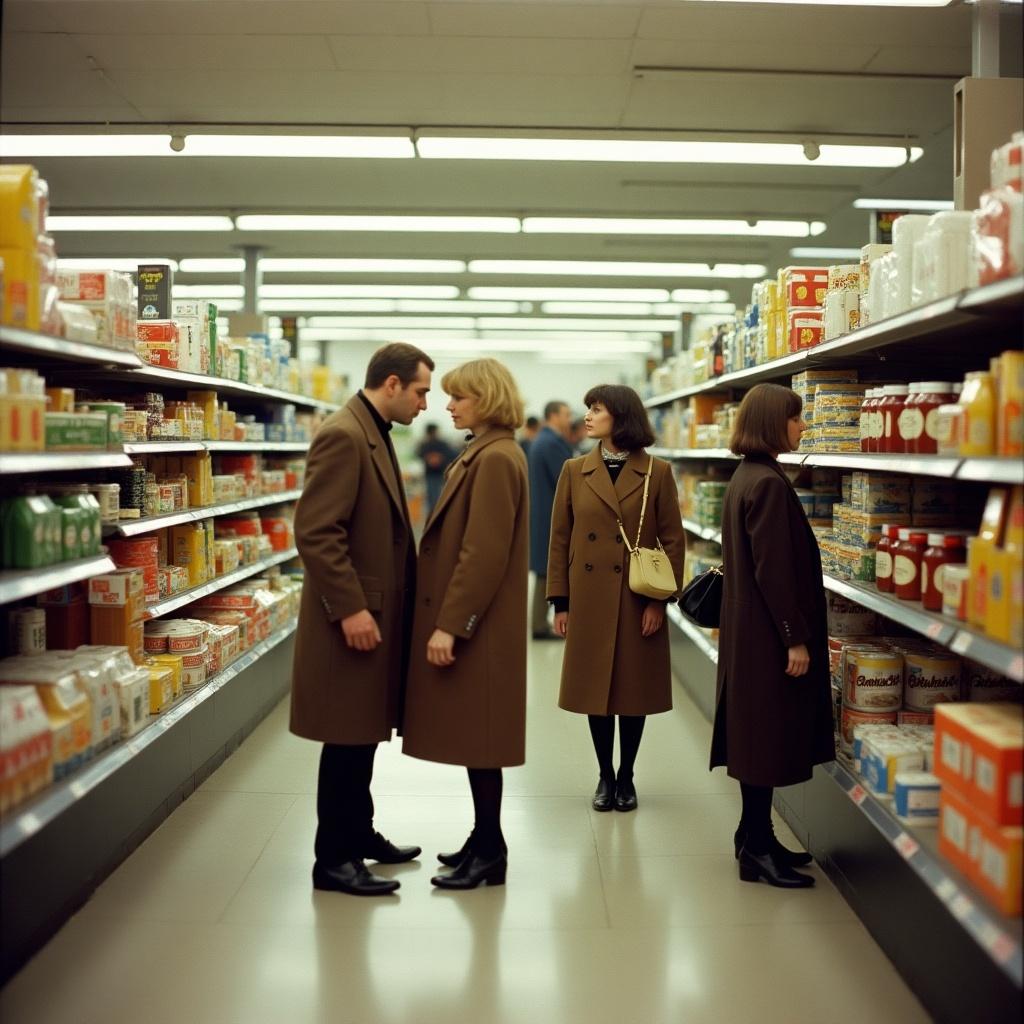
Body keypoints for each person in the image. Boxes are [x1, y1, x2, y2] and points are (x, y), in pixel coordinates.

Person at [290, 342, 434, 897]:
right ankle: (334, 860)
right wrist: (349, 608)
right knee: (347, 739)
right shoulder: (343, 434)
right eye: (421, 390)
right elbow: (317, 532)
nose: (426, 403)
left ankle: (359, 833)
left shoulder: (371, 431)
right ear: (392, 384)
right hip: (351, 619)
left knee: (365, 734)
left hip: (375, 615)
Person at [403, 358, 529, 890]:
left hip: (482, 625)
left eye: (460, 397)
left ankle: (492, 852)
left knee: (482, 738)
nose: (448, 405)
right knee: (477, 738)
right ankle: (484, 839)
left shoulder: (497, 458)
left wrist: (451, 624)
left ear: (488, 399)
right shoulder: (481, 452)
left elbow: (484, 554)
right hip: (482, 622)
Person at [709, 382, 835, 889]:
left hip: (748, 630)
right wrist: (794, 637)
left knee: (754, 735)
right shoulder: (767, 484)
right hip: (767, 636)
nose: (802, 426)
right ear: (772, 423)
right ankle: (757, 852)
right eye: (795, 417)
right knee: (764, 739)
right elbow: (774, 571)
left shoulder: (748, 476)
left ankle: (751, 834)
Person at [547, 385, 685, 813]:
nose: (586, 416)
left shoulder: (657, 472)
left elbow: (674, 541)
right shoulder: (574, 470)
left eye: (596, 409)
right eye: (588, 408)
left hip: (635, 597)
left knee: (632, 690)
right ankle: (605, 775)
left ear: (620, 417)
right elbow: (560, 540)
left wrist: (658, 602)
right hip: (588, 598)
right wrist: (560, 601)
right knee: (595, 691)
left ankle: (627, 775)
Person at [528, 400, 574, 640]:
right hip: (551, 516)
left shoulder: (541, 440)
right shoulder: (551, 443)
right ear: (553, 416)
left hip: (542, 513)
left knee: (544, 570)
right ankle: (538, 625)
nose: (570, 418)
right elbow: (567, 479)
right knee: (548, 569)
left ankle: (538, 623)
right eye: (566, 414)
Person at [416, 423, 458, 518]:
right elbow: (453, 454)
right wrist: (430, 457)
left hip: (438, 473)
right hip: (434, 474)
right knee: (434, 496)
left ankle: (435, 516)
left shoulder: (428, 443)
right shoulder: (429, 443)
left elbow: (453, 455)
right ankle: (435, 516)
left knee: (435, 496)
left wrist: (439, 458)